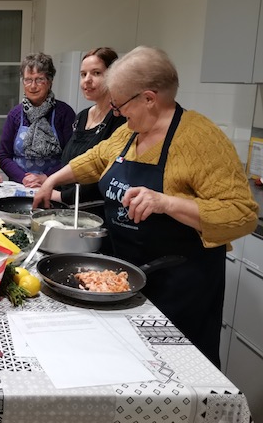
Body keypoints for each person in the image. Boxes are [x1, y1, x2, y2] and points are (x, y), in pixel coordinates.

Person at [33, 46, 258, 367]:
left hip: (179, 289)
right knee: (124, 367)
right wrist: (52, 180)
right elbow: (96, 159)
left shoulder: (201, 138)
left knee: (175, 374)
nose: (116, 112)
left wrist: (167, 202)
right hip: (124, 279)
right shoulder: (130, 133)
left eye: (120, 104)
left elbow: (242, 215)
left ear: (149, 98)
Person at [54, 47, 126, 219]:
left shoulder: (120, 119)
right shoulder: (82, 116)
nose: (87, 80)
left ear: (113, 76)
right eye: (83, 74)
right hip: (68, 208)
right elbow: (69, 160)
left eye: (96, 73)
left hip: (97, 214)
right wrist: (52, 183)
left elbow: (107, 177)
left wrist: (61, 196)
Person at [0, 53, 75, 187]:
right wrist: (24, 178)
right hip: (20, 186)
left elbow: (72, 157)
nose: (33, 86)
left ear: (50, 81)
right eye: (28, 80)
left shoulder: (64, 113)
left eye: (39, 80)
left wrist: (46, 178)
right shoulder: (15, 115)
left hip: (55, 185)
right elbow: (3, 156)